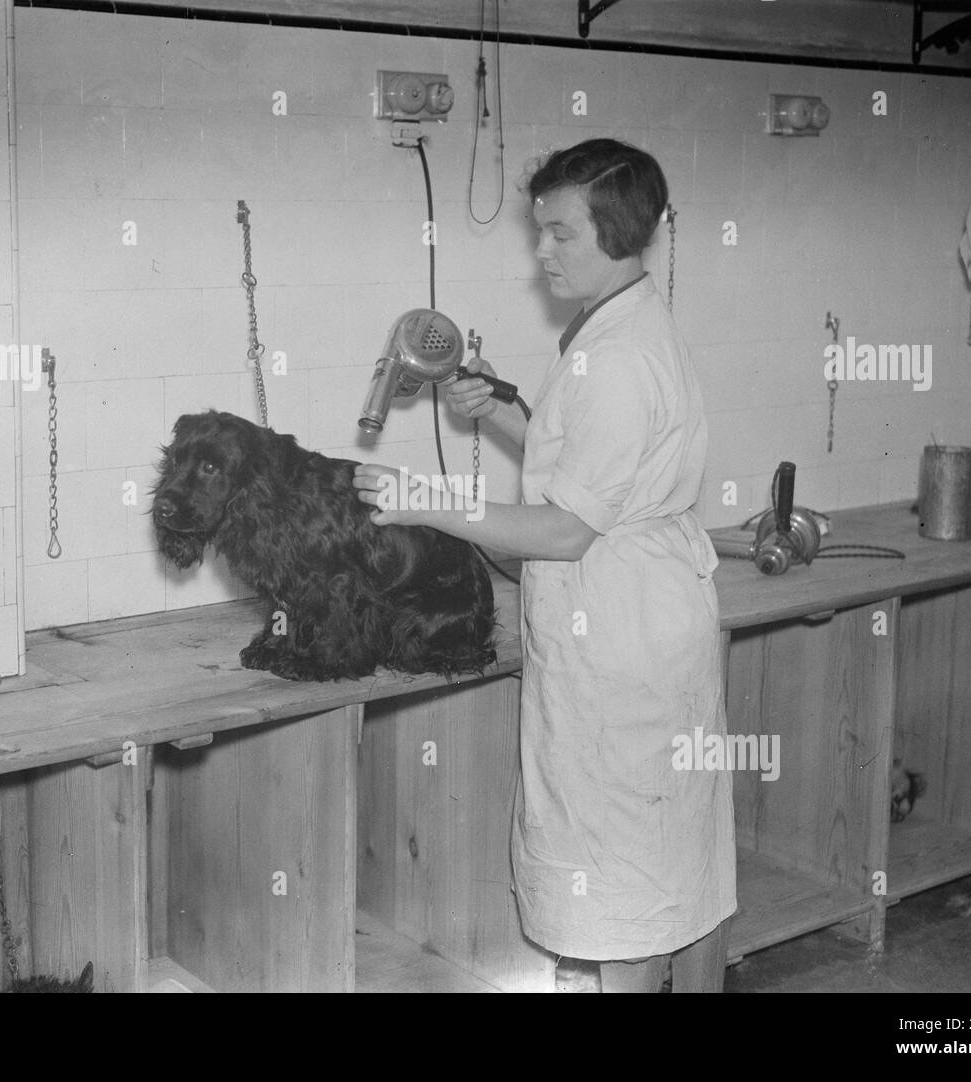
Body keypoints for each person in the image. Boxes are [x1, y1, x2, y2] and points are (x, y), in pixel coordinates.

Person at [352, 138, 736, 993]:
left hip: (623, 648)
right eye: (541, 230)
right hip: (631, 625)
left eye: (560, 232)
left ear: (617, 229)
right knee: (659, 868)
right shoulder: (610, 328)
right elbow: (586, 468)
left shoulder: (624, 359)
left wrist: (419, 498)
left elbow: (565, 528)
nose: (542, 250)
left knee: (627, 883)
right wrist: (503, 409)